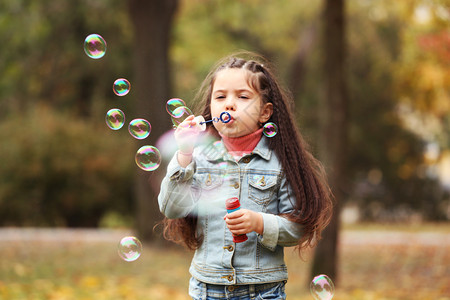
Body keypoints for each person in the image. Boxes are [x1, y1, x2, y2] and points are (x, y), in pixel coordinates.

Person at [158, 52, 333, 299]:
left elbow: (298, 228)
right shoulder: (198, 157)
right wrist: (184, 155)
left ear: (265, 112)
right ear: (211, 108)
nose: (229, 104)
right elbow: (170, 208)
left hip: (263, 291)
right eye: (220, 97)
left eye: (242, 97)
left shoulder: (281, 164)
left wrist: (260, 223)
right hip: (207, 289)